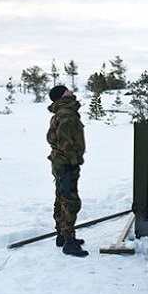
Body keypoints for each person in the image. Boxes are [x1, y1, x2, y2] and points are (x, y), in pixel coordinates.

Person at [47, 85, 88, 257]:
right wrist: (73, 161)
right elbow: (65, 142)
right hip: (65, 164)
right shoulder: (66, 114)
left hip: (60, 162)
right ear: (62, 95)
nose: (71, 91)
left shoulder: (63, 112)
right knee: (70, 201)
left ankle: (62, 236)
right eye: (67, 90)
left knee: (61, 198)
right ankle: (69, 242)